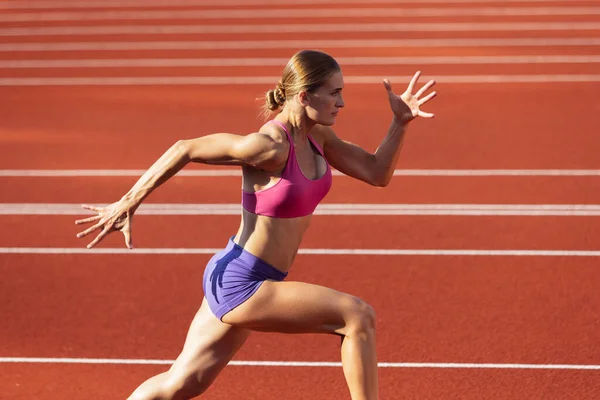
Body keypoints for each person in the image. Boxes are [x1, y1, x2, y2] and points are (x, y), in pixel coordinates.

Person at [75, 49, 436, 400]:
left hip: (255, 276)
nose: (341, 103)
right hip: (242, 281)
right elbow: (185, 147)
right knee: (357, 315)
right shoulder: (268, 147)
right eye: (335, 93)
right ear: (305, 94)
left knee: (182, 383)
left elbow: (376, 173)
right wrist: (128, 201)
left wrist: (399, 123)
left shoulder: (318, 138)